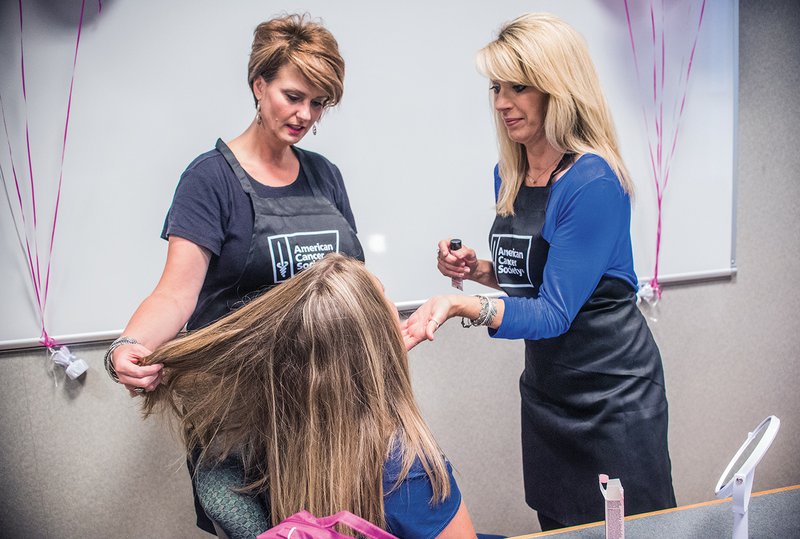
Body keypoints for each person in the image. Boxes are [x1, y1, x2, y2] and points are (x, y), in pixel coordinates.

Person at [401, 13, 676, 531]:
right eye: (496, 87)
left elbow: (553, 311)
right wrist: (479, 270)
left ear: (558, 88)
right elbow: (536, 280)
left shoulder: (593, 180)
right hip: (548, 396)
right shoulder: (509, 172)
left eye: (519, 87)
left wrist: (461, 304)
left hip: (611, 401)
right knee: (557, 523)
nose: (502, 102)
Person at [103, 14, 363, 534]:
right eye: (293, 95)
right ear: (259, 84)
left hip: (320, 414)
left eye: (318, 103)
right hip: (236, 426)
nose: (305, 114)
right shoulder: (210, 180)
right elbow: (175, 295)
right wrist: (125, 347)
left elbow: (352, 284)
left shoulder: (324, 176)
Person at [139, 253, 477, 539]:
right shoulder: (408, 469)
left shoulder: (271, 440)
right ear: (375, 345)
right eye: (385, 297)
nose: (395, 307)